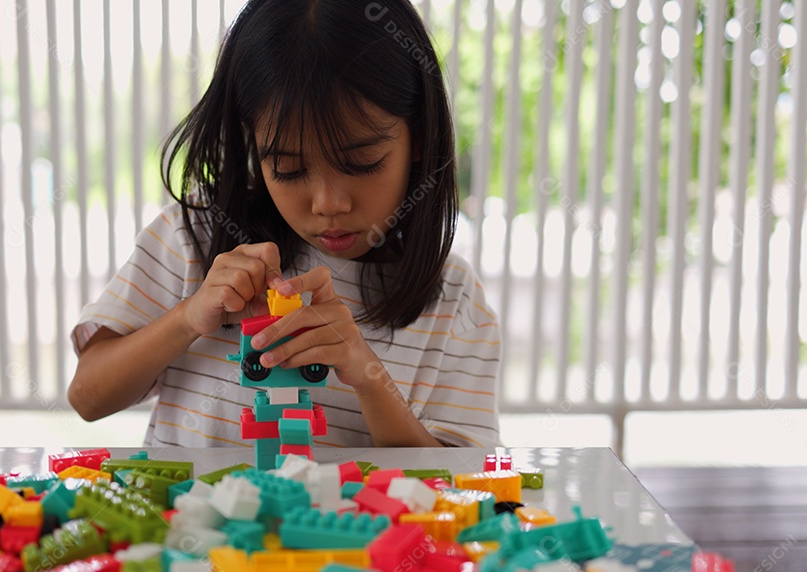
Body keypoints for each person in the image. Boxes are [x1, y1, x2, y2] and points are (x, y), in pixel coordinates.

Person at [68, 0, 501, 449]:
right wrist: (188, 317)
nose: (328, 204)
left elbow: (458, 484)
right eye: (289, 170)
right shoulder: (193, 235)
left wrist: (368, 376)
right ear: (252, 145)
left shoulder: (453, 298)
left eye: (362, 162)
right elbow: (87, 396)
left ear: (419, 136)